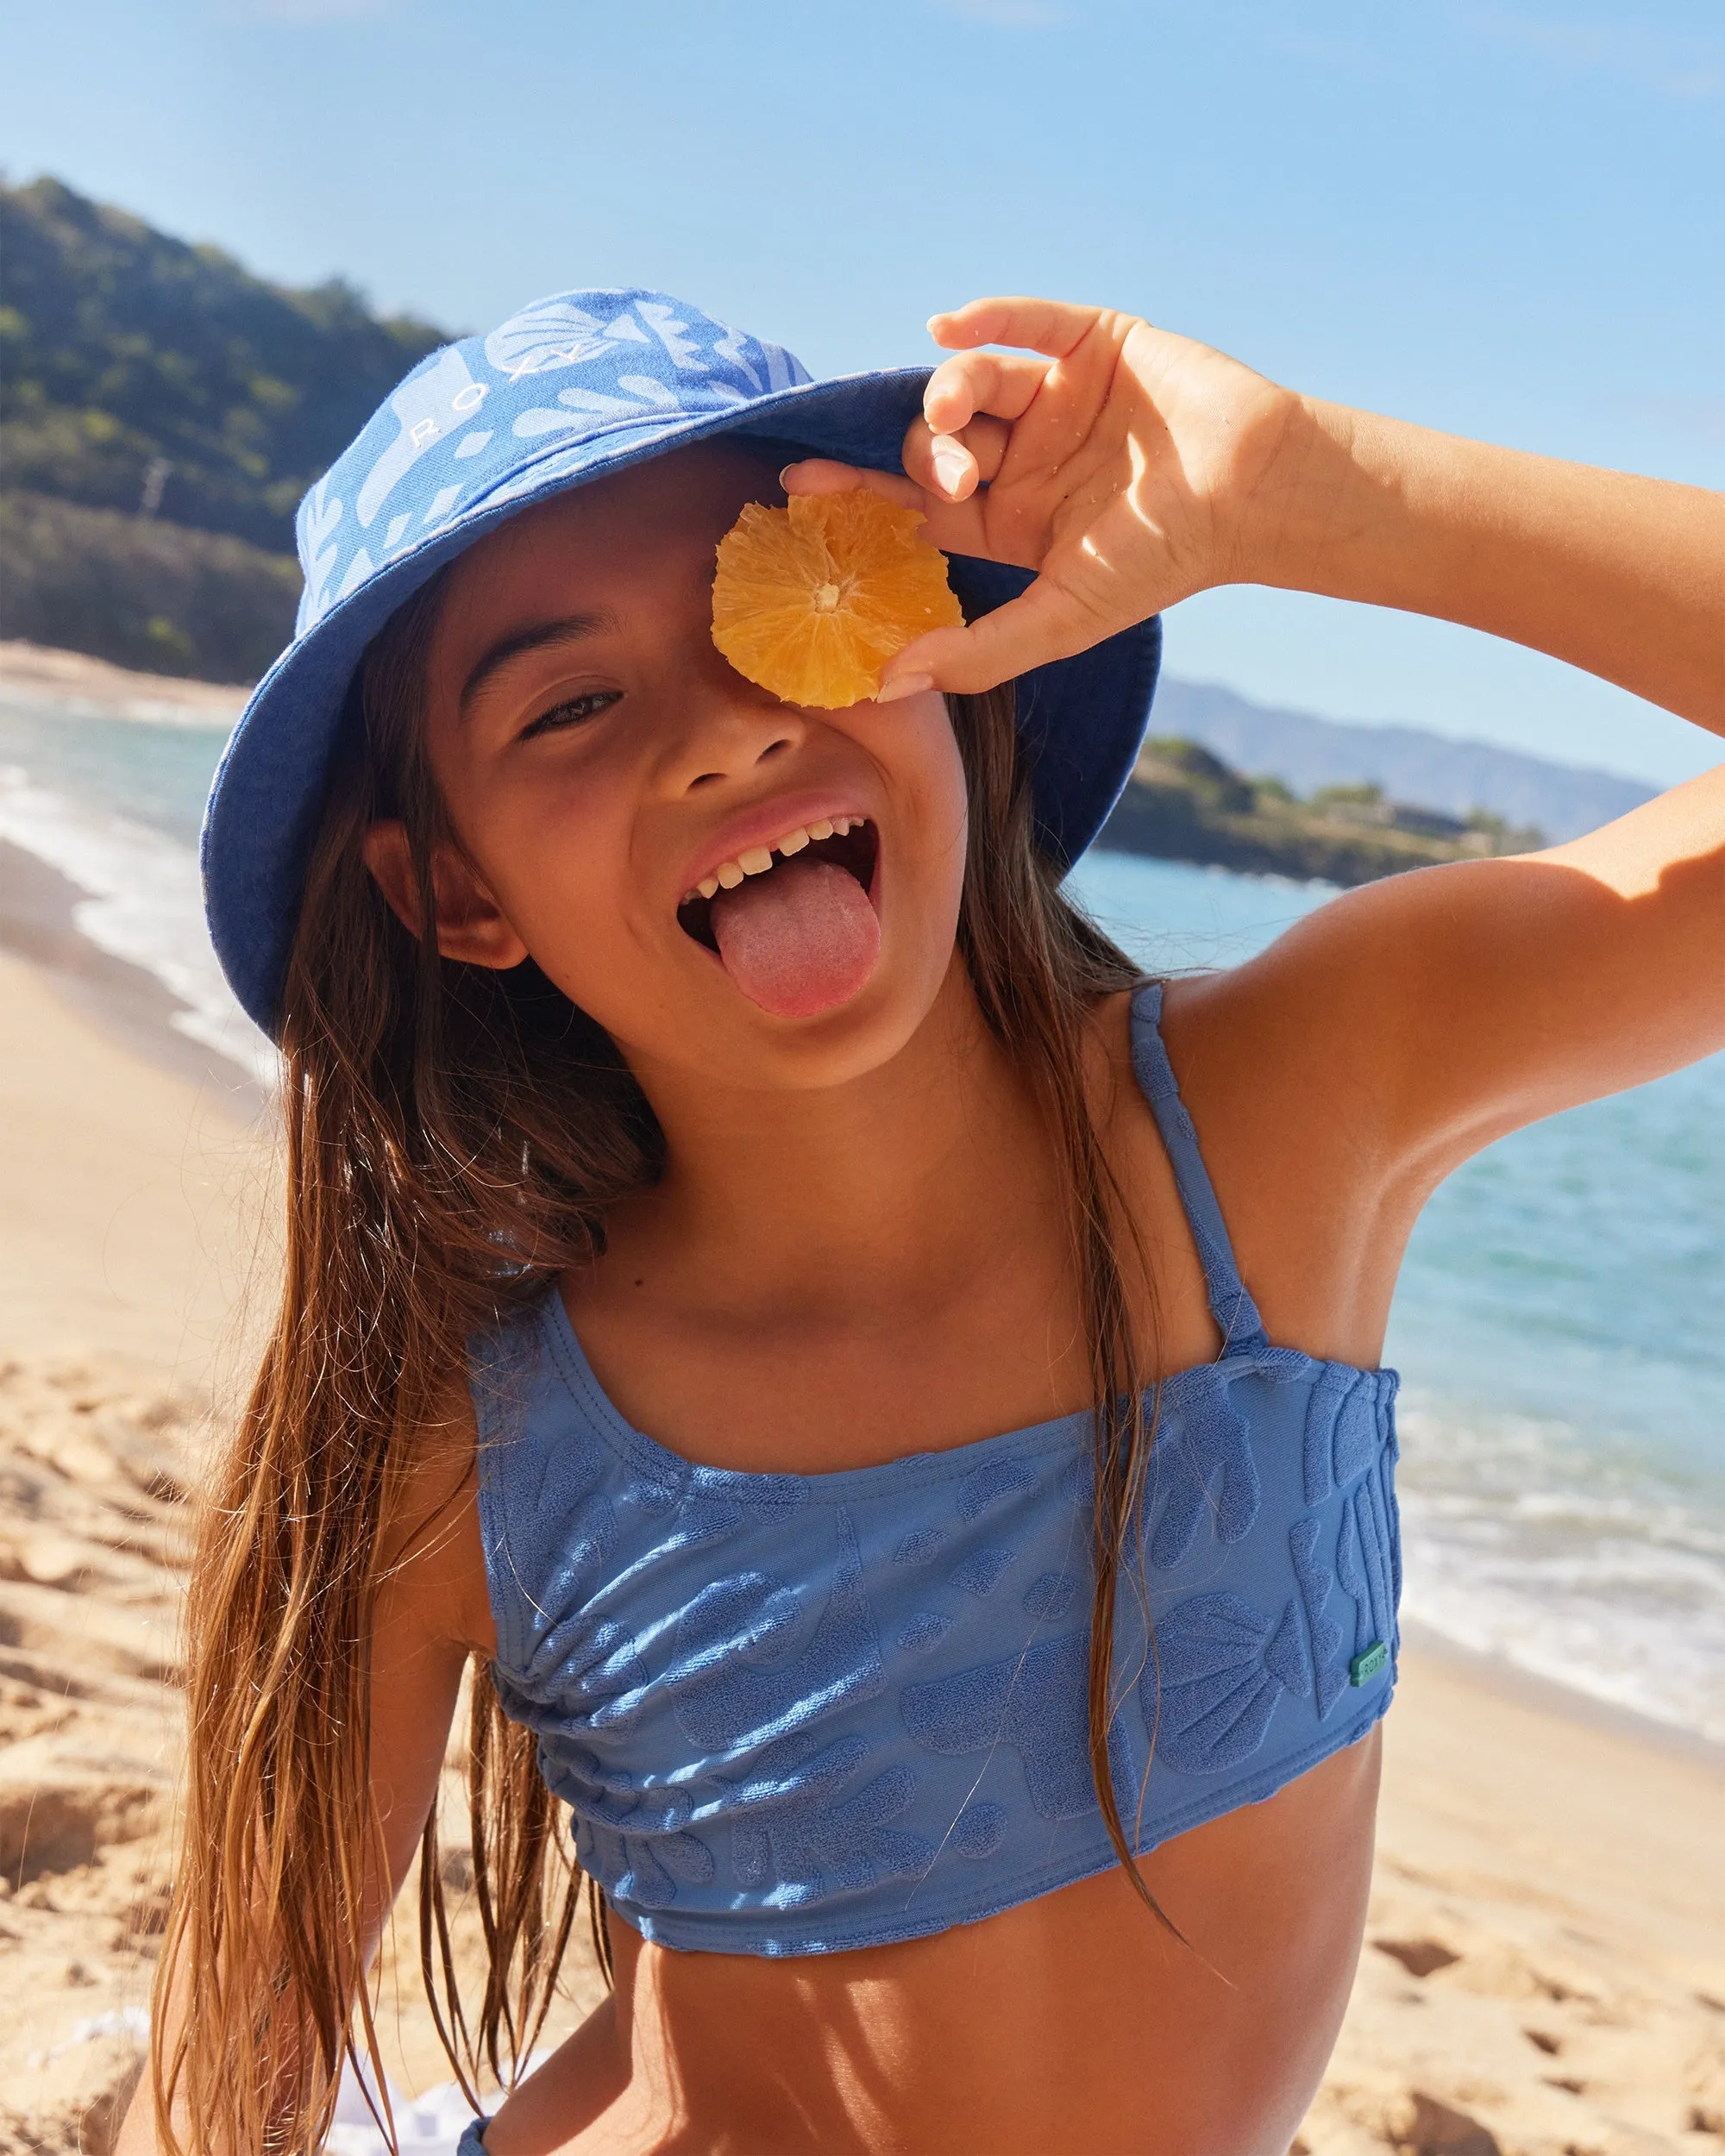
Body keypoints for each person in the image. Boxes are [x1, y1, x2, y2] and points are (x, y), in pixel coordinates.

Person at [118, 288, 1723, 2156]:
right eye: (568, 703)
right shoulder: (468, 1435)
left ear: (944, 641)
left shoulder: (1285, 1117)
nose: (721, 735)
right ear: (454, 885)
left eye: (783, 605)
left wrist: (1314, 495)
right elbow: (227, 2078)